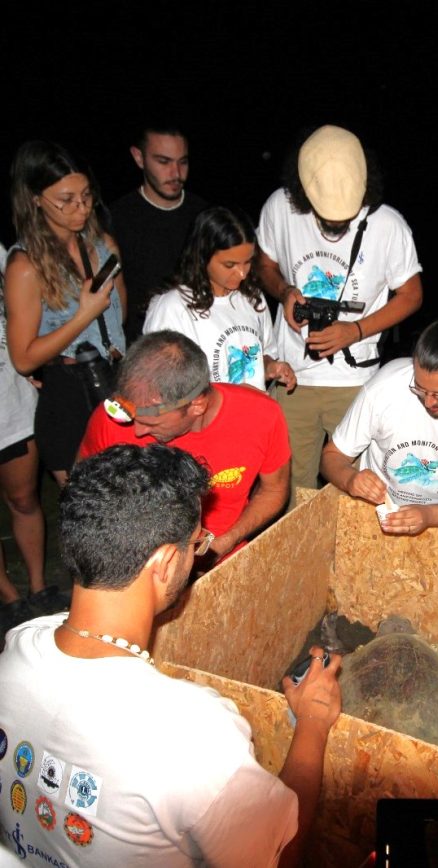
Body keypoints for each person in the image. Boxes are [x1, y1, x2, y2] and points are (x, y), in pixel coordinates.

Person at [0, 444, 340, 866]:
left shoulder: (17, 647)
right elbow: (280, 855)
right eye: (197, 542)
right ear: (164, 562)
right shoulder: (191, 730)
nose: (197, 553)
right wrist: (312, 720)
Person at [256, 125, 423, 506]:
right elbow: (264, 263)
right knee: (294, 489)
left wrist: (356, 329)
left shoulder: (388, 225)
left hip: (355, 380)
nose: (336, 224)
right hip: (292, 374)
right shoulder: (279, 207)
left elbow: (412, 295)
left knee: (357, 488)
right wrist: (283, 291)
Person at [78, 331, 289, 562]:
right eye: (132, 418)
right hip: (139, 567)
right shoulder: (109, 422)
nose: (136, 431)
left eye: (151, 423)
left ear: (197, 405)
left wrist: (228, 540)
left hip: (224, 561)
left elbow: (274, 490)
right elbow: (81, 490)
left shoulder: (261, 415)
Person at [321, 306, 438, 535]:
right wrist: (350, 479)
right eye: (419, 388)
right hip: (376, 510)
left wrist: (428, 516)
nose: (429, 402)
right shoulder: (385, 385)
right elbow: (332, 457)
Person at [4, 141, 127, 484]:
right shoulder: (25, 265)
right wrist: (82, 317)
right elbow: (24, 359)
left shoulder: (104, 246)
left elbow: (120, 317)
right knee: (89, 515)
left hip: (117, 382)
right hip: (69, 397)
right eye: (66, 200)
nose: (81, 208)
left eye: (86, 195)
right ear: (35, 198)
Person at [144, 206, 296, 391]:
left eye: (247, 262)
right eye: (230, 264)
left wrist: (271, 367)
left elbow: (262, 356)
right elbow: (161, 384)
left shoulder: (253, 298)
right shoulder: (172, 307)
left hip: (252, 414)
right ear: (202, 256)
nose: (241, 273)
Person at [109, 124, 209, 341]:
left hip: (199, 345)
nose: (176, 173)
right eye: (163, 162)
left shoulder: (204, 215)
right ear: (138, 157)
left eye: (183, 162)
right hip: (140, 350)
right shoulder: (116, 219)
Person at [0, 249, 57, 633]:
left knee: (24, 500)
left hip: (10, 402)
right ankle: (10, 598)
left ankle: (38, 590)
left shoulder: (4, 255)